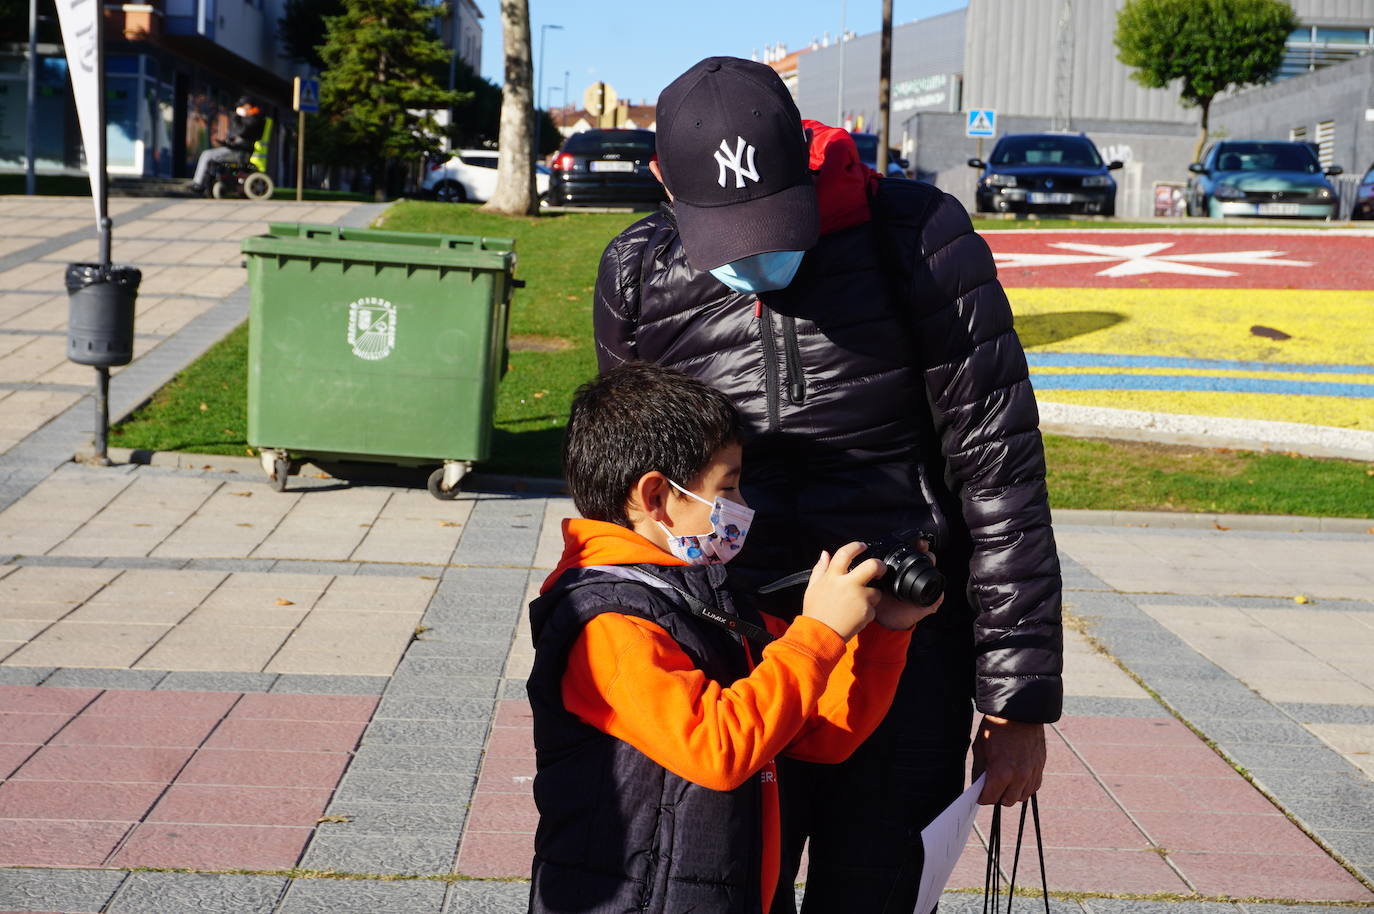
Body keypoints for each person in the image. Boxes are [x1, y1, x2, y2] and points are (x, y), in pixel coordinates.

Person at [593, 57, 1063, 913]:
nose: (757, 257)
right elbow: (630, 494)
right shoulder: (636, 274)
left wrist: (1016, 699)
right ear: (662, 181)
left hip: (904, 647)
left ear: (803, 162)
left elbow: (1001, 477)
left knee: (876, 894)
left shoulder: (922, 239)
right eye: (728, 236)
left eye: (774, 223)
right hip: (735, 661)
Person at [527, 362, 941, 914]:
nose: (742, 506)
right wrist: (817, 632)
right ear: (656, 496)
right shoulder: (606, 623)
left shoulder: (703, 598)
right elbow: (717, 748)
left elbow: (820, 735)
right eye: (728, 487)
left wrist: (883, 632)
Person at [189, 97, 266, 194]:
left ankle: (198, 184)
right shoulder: (248, 119)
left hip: (240, 152)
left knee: (207, 155)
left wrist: (236, 117)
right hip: (236, 149)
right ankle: (205, 183)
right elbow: (237, 132)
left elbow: (241, 131)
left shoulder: (254, 119)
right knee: (209, 155)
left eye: (243, 107)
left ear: (248, 106)